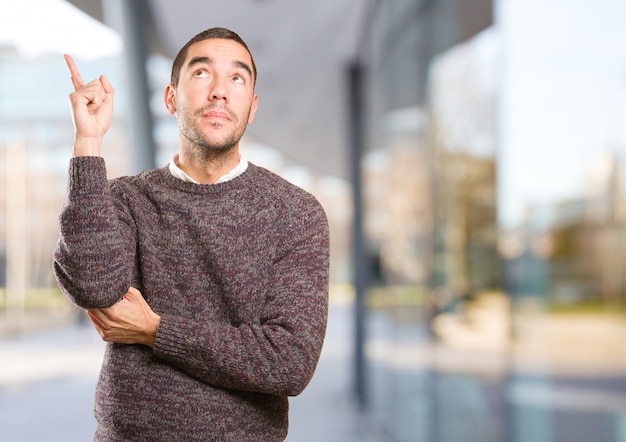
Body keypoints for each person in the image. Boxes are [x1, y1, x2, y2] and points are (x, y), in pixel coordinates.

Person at [53, 27, 329, 441]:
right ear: (170, 98)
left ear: (251, 108)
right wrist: (88, 143)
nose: (220, 91)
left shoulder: (295, 213)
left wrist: (154, 330)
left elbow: (288, 361)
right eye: (201, 74)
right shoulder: (128, 198)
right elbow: (94, 288)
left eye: (237, 78)